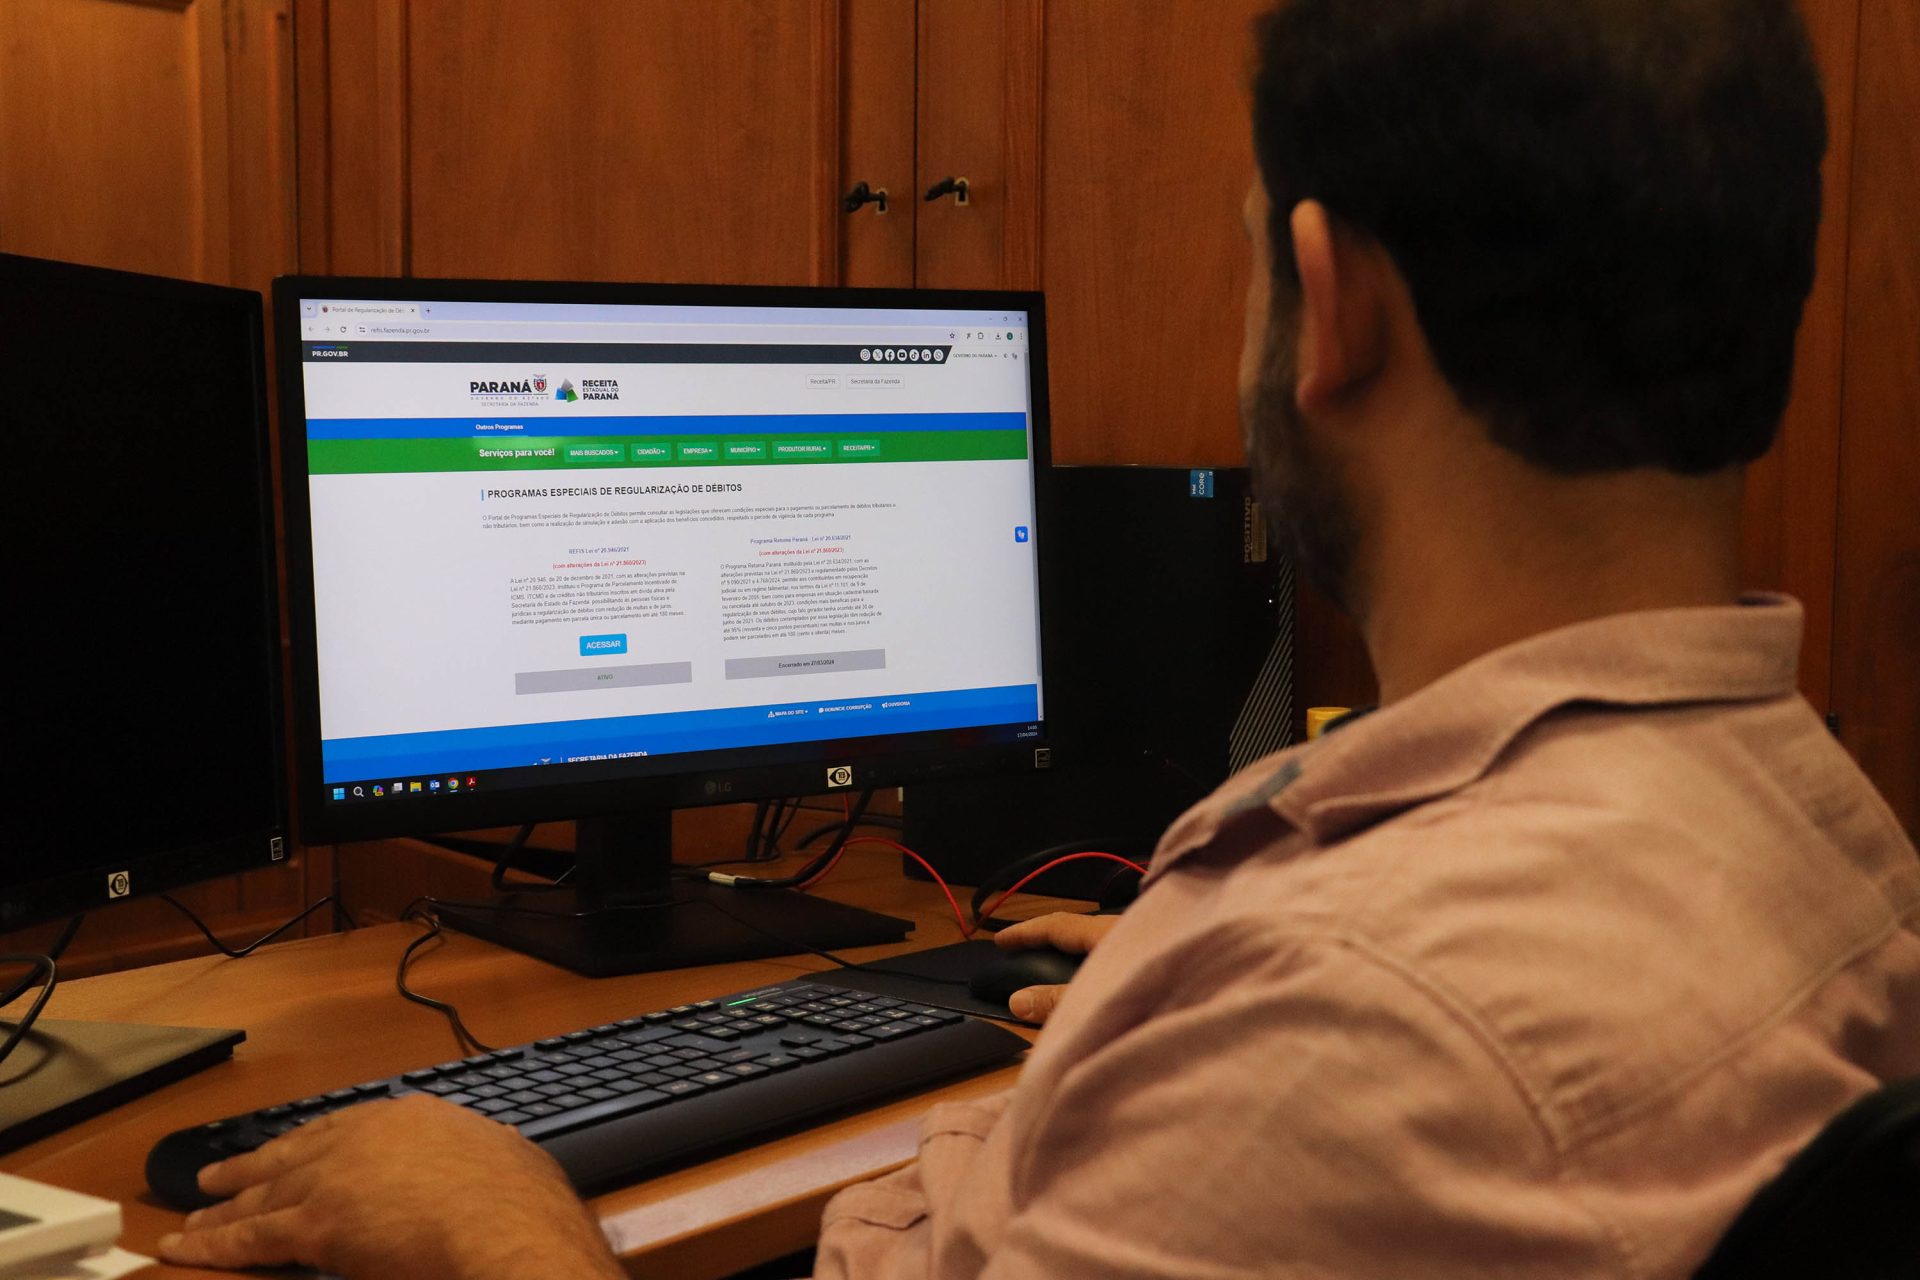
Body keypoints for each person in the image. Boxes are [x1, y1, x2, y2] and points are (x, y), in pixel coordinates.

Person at [160, 1, 1920, 1276]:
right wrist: (1139, 1043)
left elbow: (1333, 1076)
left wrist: (503, 1227)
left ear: (1336, 305)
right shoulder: (1826, 835)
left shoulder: (1343, 1026)